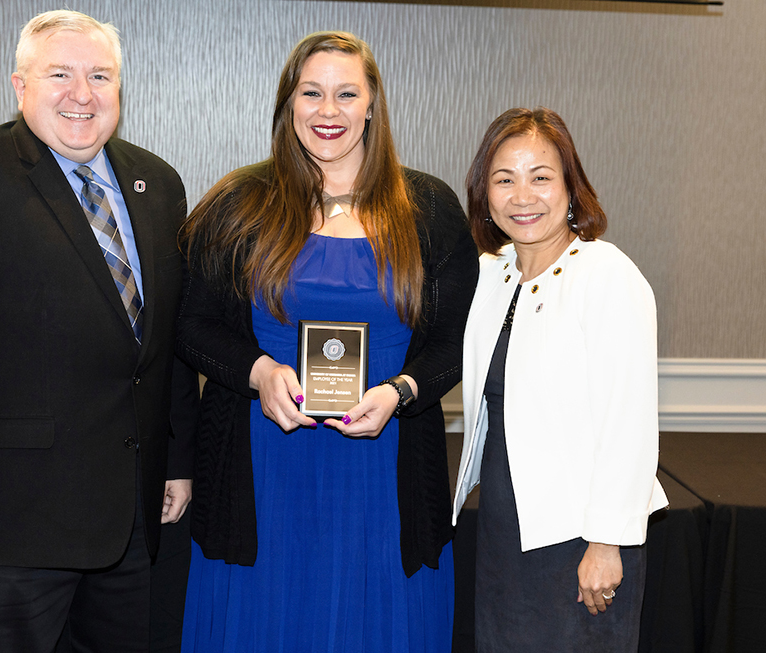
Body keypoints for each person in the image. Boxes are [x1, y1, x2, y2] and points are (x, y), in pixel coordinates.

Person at [0, 10, 198, 652]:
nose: (83, 93)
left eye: (100, 75)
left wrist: (176, 460)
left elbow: (167, 344)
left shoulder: (156, 184)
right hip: (5, 530)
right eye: (60, 74)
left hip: (128, 525)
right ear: (19, 85)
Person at [175, 31, 478, 652]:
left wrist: (403, 391)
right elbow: (192, 327)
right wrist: (258, 372)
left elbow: (456, 343)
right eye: (311, 93)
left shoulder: (428, 207)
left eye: (346, 93)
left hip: (385, 468)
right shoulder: (240, 204)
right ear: (289, 103)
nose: (328, 110)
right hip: (263, 469)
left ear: (372, 104)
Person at [452, 107, 669, 651]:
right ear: (484, 192)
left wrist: (606, 542)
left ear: (571, 187)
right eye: (505, 179)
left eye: (541, 177)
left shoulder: (606, 274)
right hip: (505, 525)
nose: (522, 196)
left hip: (580, 537)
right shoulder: (490, 273)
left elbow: (629, 419)